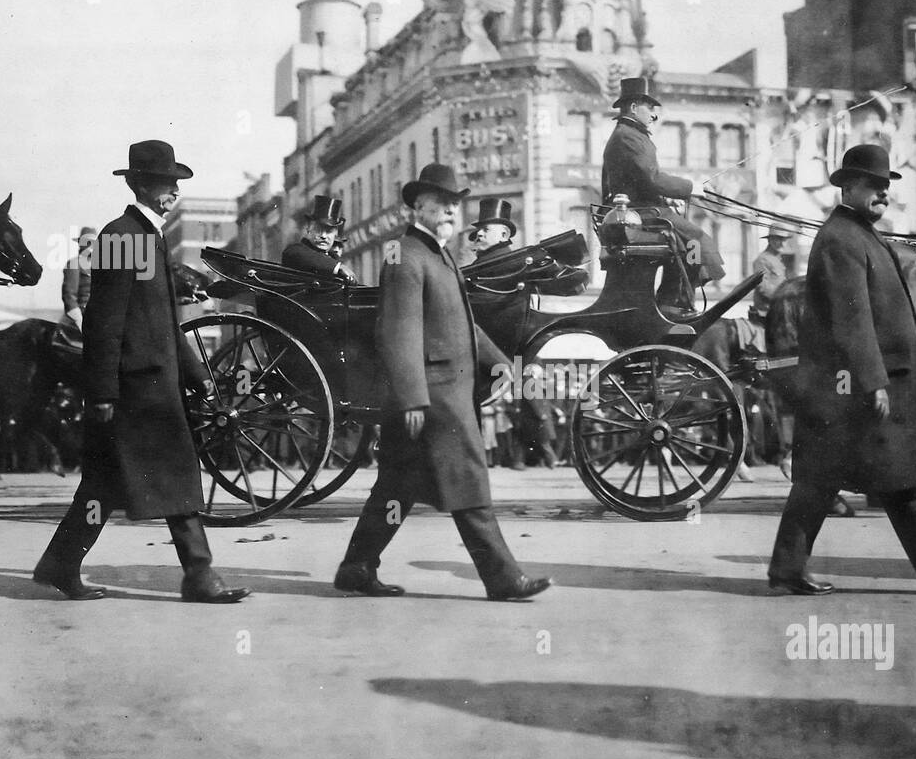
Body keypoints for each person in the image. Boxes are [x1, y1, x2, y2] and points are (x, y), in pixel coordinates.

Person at [767, 144, 916, 596]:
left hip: (861, 384)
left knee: (885, 481)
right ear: (848, 187)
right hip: (856, 386)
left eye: (886, 187)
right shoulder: (841, 240)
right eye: (873, 186)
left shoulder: (860, 235)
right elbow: (850, 319)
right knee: (842, 481)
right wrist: (872, 380)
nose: (883, 194)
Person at [33, 140, 251, 603]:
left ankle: (60, 563)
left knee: (105, 484)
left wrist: (198, 378)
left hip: (153, 382)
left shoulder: (147, 237)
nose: (173, 191)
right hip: (137, 390)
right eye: (165, 182)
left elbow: (165, 324)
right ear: (141, 185)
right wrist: (103, 393)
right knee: (175, 474)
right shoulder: (122, 237)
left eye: (175, 183)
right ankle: (199, 575)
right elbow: (103, 320)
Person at [334, 163, 550, 601]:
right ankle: (503, 578)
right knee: (467, 481)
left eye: (456, 204)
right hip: (432, 396)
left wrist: (498, 362)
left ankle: (356, 567)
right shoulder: (403, 253)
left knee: (396, 486)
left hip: (443, 391)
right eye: (442, 203)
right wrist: (413, 398)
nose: (452, 211)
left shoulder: (439, 253)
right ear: (417, 206)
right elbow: (398, 329)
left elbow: (462, 323)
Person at [601, 77, 725, 312]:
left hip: (641, 209)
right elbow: (653, 178)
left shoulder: (629, 134)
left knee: (692, 242)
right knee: (696, 242)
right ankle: (673, 301)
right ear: (635, 107)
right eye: (650, 108)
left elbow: (641, 178)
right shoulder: (629, 136)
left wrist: (669, 195)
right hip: (642, 214)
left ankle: (674, 297)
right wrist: (691, 187)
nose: (653, 115)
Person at [281, 195, 357, 283]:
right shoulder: (294, 252)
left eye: (329, 231)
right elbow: (296, 253)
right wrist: (338, 267)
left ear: (335, 234)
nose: (323, 236)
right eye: (318, 229)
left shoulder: (334, 259)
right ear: (309, 228)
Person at [748, 223, 794, 322]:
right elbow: (763, 287)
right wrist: (786, 297)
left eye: (784, 240)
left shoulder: (777, 260)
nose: (782, 243)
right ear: (769, 240)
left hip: (779, 310)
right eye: (778, 239)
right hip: (766, 313)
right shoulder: (762, 260)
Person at [61, 226, 96, 330]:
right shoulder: (74, 264)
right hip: (81, 314)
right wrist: (79, 320)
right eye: (87, 242)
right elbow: (69, 296)